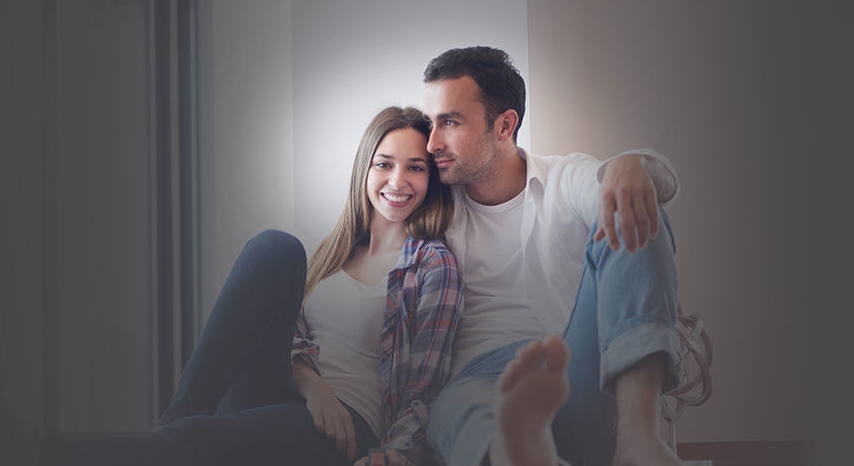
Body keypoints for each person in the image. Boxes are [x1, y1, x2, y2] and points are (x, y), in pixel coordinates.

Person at [38, 106, 464, 466]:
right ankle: (177, 418)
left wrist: (392, 455)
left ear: (431, 181)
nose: (397, 181)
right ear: (364, 169)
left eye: (415, 168)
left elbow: (424, 389)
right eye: (384, 163)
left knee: (196, 441)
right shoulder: (332, 255)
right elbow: (289, 338)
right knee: (275, 247)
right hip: (288, 394)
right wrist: (312, 386)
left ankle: (35, 451)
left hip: (348, 428)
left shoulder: (431, 265)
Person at [418, 46, 684, 466]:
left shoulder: (563, 177)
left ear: (505, 125)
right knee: (461, 409)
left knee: (630, 211)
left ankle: (638, 437)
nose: (432, 143)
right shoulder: (428, 203)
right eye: (430, 124)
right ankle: (521, 453)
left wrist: (633, 166)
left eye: (449, 122)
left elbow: (653, 189)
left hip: (571, 372)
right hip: (476, 382)